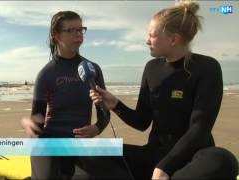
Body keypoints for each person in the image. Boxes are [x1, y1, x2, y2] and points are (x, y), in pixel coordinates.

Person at [89, 1, 238, 179]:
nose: (146, 41)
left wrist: (165, 167)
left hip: (192, 158)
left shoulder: (207, 68)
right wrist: (114, 104)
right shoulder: (151, 68)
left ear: (173, 39)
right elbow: (142, 121)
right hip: (154, 155)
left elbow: (199, 129)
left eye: (151, 35)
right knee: (92, 150)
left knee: (223, 159)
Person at [20, 11, 115, 179]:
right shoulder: (47, 74)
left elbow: (104, 112)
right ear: (57, 36)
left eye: (80, 29)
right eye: (71, 30)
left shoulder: (92, 69)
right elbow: (38, 117)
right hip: (50, 142)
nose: (78, 34)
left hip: (79, 143)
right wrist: (32, 125)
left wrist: (96, 128)